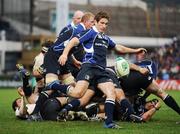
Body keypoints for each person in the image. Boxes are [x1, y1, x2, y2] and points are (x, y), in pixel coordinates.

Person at [58, 11, 147, 129]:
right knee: (78, 93)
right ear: (95, 22)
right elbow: (73, 41)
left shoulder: (105, 38)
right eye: (102, 23)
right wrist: (64, 54)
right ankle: (54, 85)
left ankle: (108, 123)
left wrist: (135, 51)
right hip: (89, 67)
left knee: (111, 92)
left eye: (106, 24)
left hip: (101, 71)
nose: (104, 26)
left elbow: (118, 47)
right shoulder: (90, 32)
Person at [28, 12, 95, 121]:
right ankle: (35, 113)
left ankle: (75, 110)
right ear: (86, 21)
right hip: (54, 57)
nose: (93, 25)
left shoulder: (82, 31)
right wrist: (63, 55)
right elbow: (60, 44)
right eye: (92, 22)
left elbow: (69, 46)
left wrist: (73, 60)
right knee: (50, 86)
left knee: (74, 87)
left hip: (63, 58)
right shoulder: (76, 30)